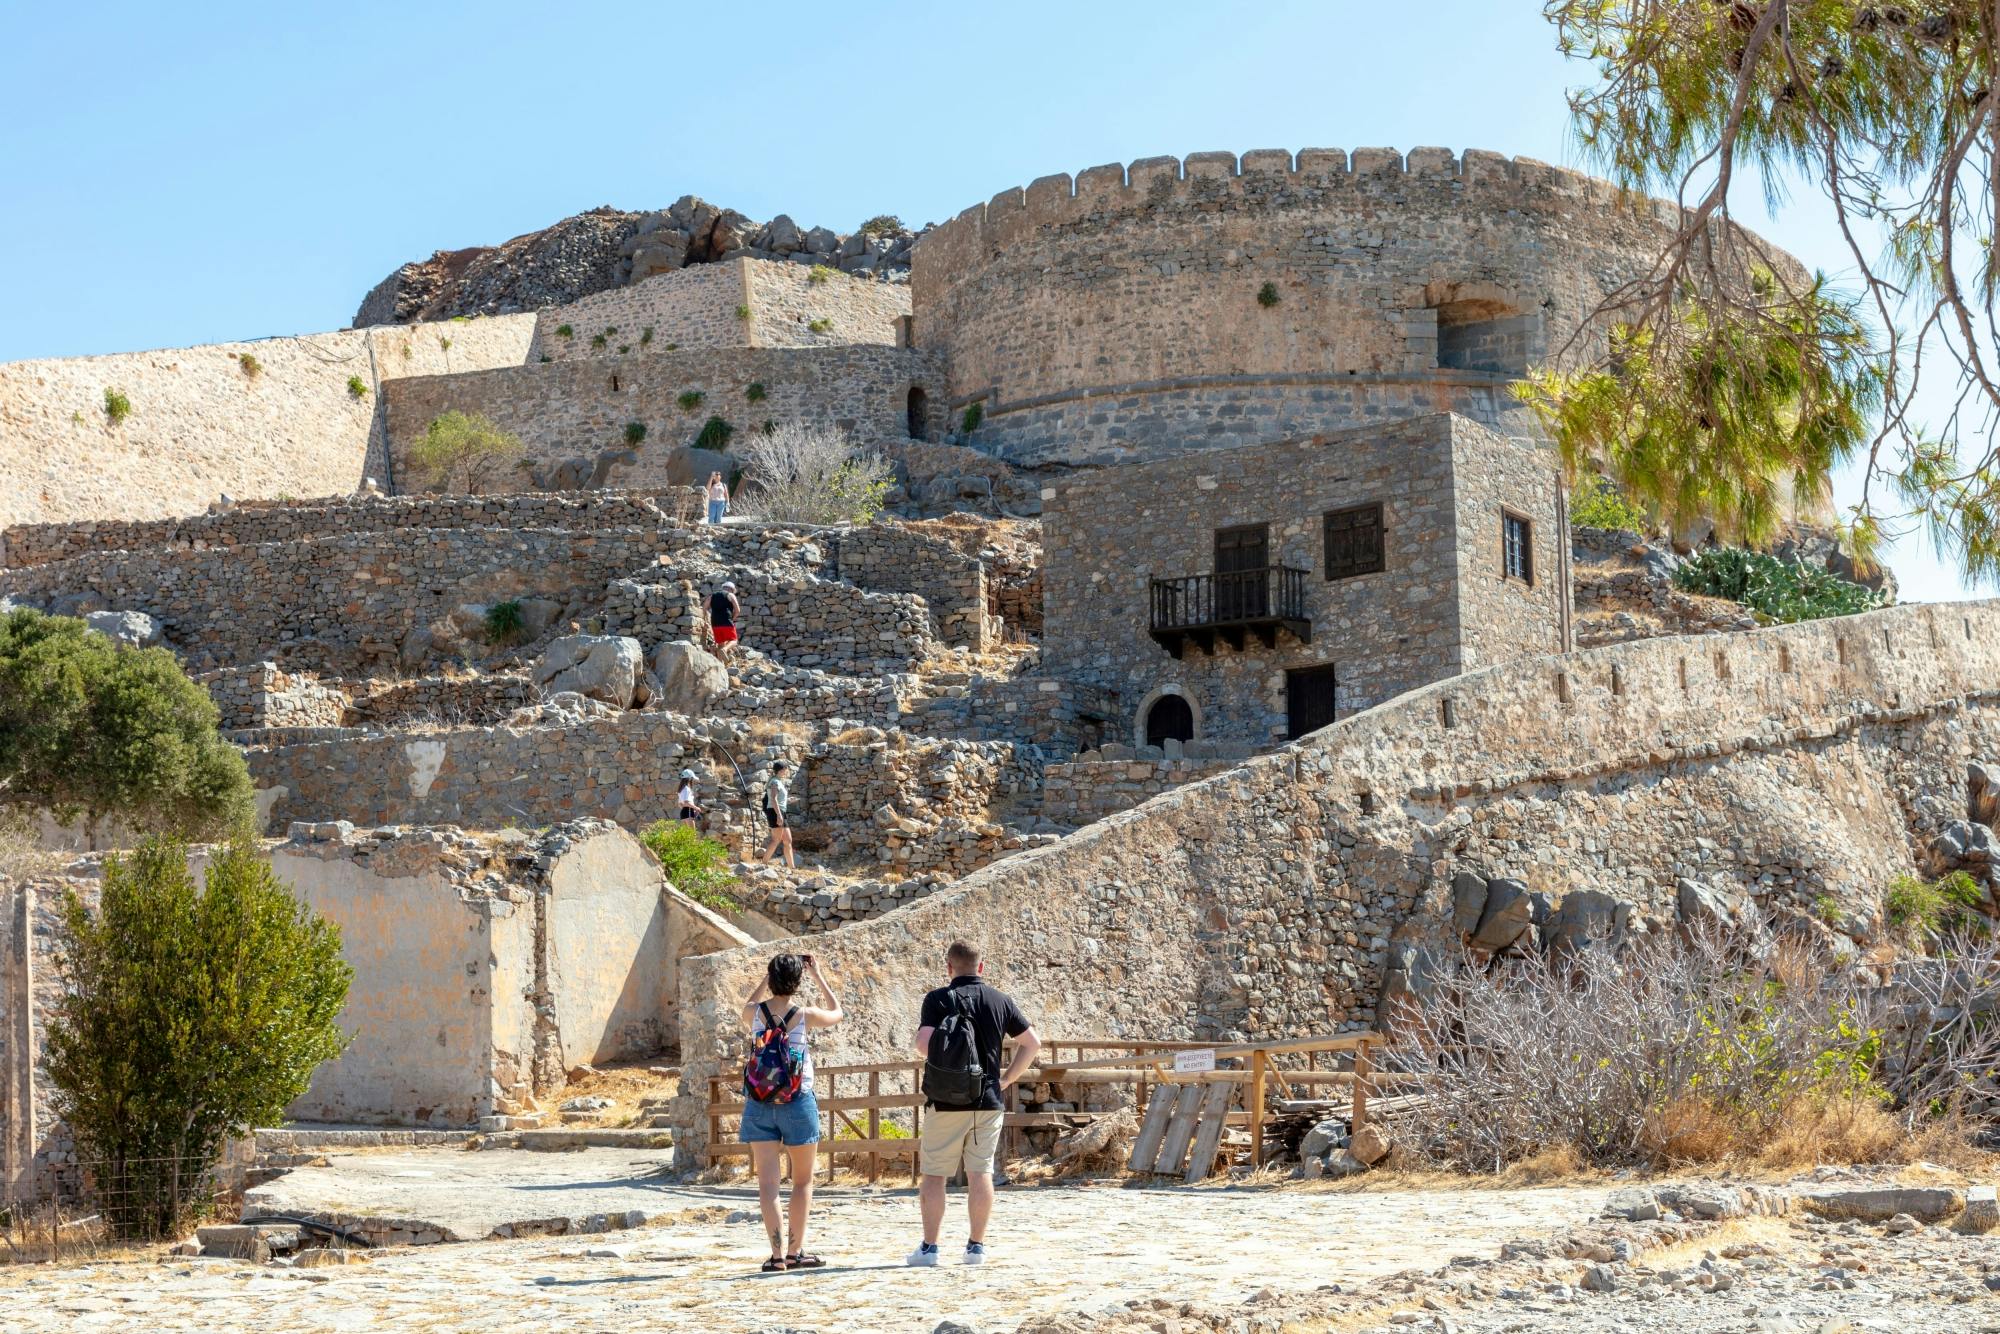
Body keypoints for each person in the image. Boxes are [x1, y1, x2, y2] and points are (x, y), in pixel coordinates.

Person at [907, 940, 1040, 1267]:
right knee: (980, 1172)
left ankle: (929, 1249)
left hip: (945, 1101)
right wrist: (1007, 1078)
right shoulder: (1000, 1001)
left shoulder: (937, 999)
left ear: (949, 967)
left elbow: (923, 1046)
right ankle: (975, 1248)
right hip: (988, 1099)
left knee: (935, 1175)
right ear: (981, 967)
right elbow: (1032, 1044)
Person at [739, 952, 843, 1271]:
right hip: (797, 1100)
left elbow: (745, 1006)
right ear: (797, 982)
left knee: (768, 1185)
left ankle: (776, 1256)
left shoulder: (754, 1014)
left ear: (771, 979)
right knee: (802, 1182)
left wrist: (762, 980)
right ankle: (796, 1252)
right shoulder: (805, 1015)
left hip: (759, 1102)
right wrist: (818, 975)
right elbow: (838, 1013)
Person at [761, 760, 795, 868]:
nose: (787, 771)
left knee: (788, 840)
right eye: (786, 769)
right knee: (776, 840)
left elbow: (778, 799)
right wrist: (779, 815)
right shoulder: (775, 782)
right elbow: (773, 799)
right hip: (776, 812)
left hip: (780, 811)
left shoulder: (778, 781)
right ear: (781, 770)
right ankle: (763, 864)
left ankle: (792, 868)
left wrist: (788, 801)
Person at [709, 581, 740, 662]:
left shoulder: (713, 595)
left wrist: (706, 618)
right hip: (727, 622)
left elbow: (704, 607)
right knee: (734, 640)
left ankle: (720, 666)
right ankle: (725, 649)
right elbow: (737, 610)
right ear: (732, 589)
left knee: (720, 644)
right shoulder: (730, 595)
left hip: (715, 623)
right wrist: (732, 619)